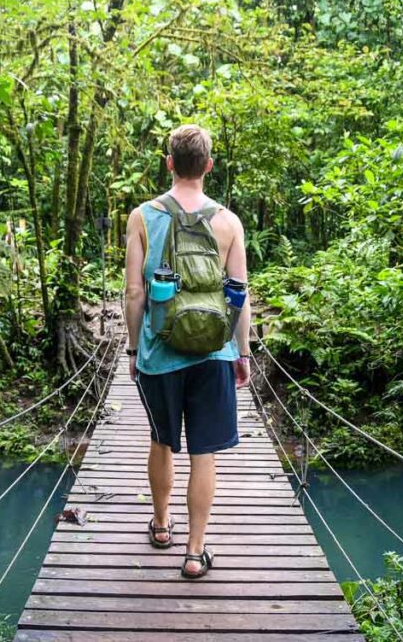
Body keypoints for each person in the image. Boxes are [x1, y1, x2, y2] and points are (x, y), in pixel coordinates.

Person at [123, 123, 252, 579]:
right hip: (214, 354)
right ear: (210, 166)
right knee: (204, 453)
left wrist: (136, 349)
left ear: (169, 162)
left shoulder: (142, 216)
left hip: (160, 353)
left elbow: (134, 293)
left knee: (161, 440)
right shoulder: (229, 222)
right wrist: (242, 353)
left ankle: (161, 526)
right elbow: (239, 294)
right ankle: (195, 553)